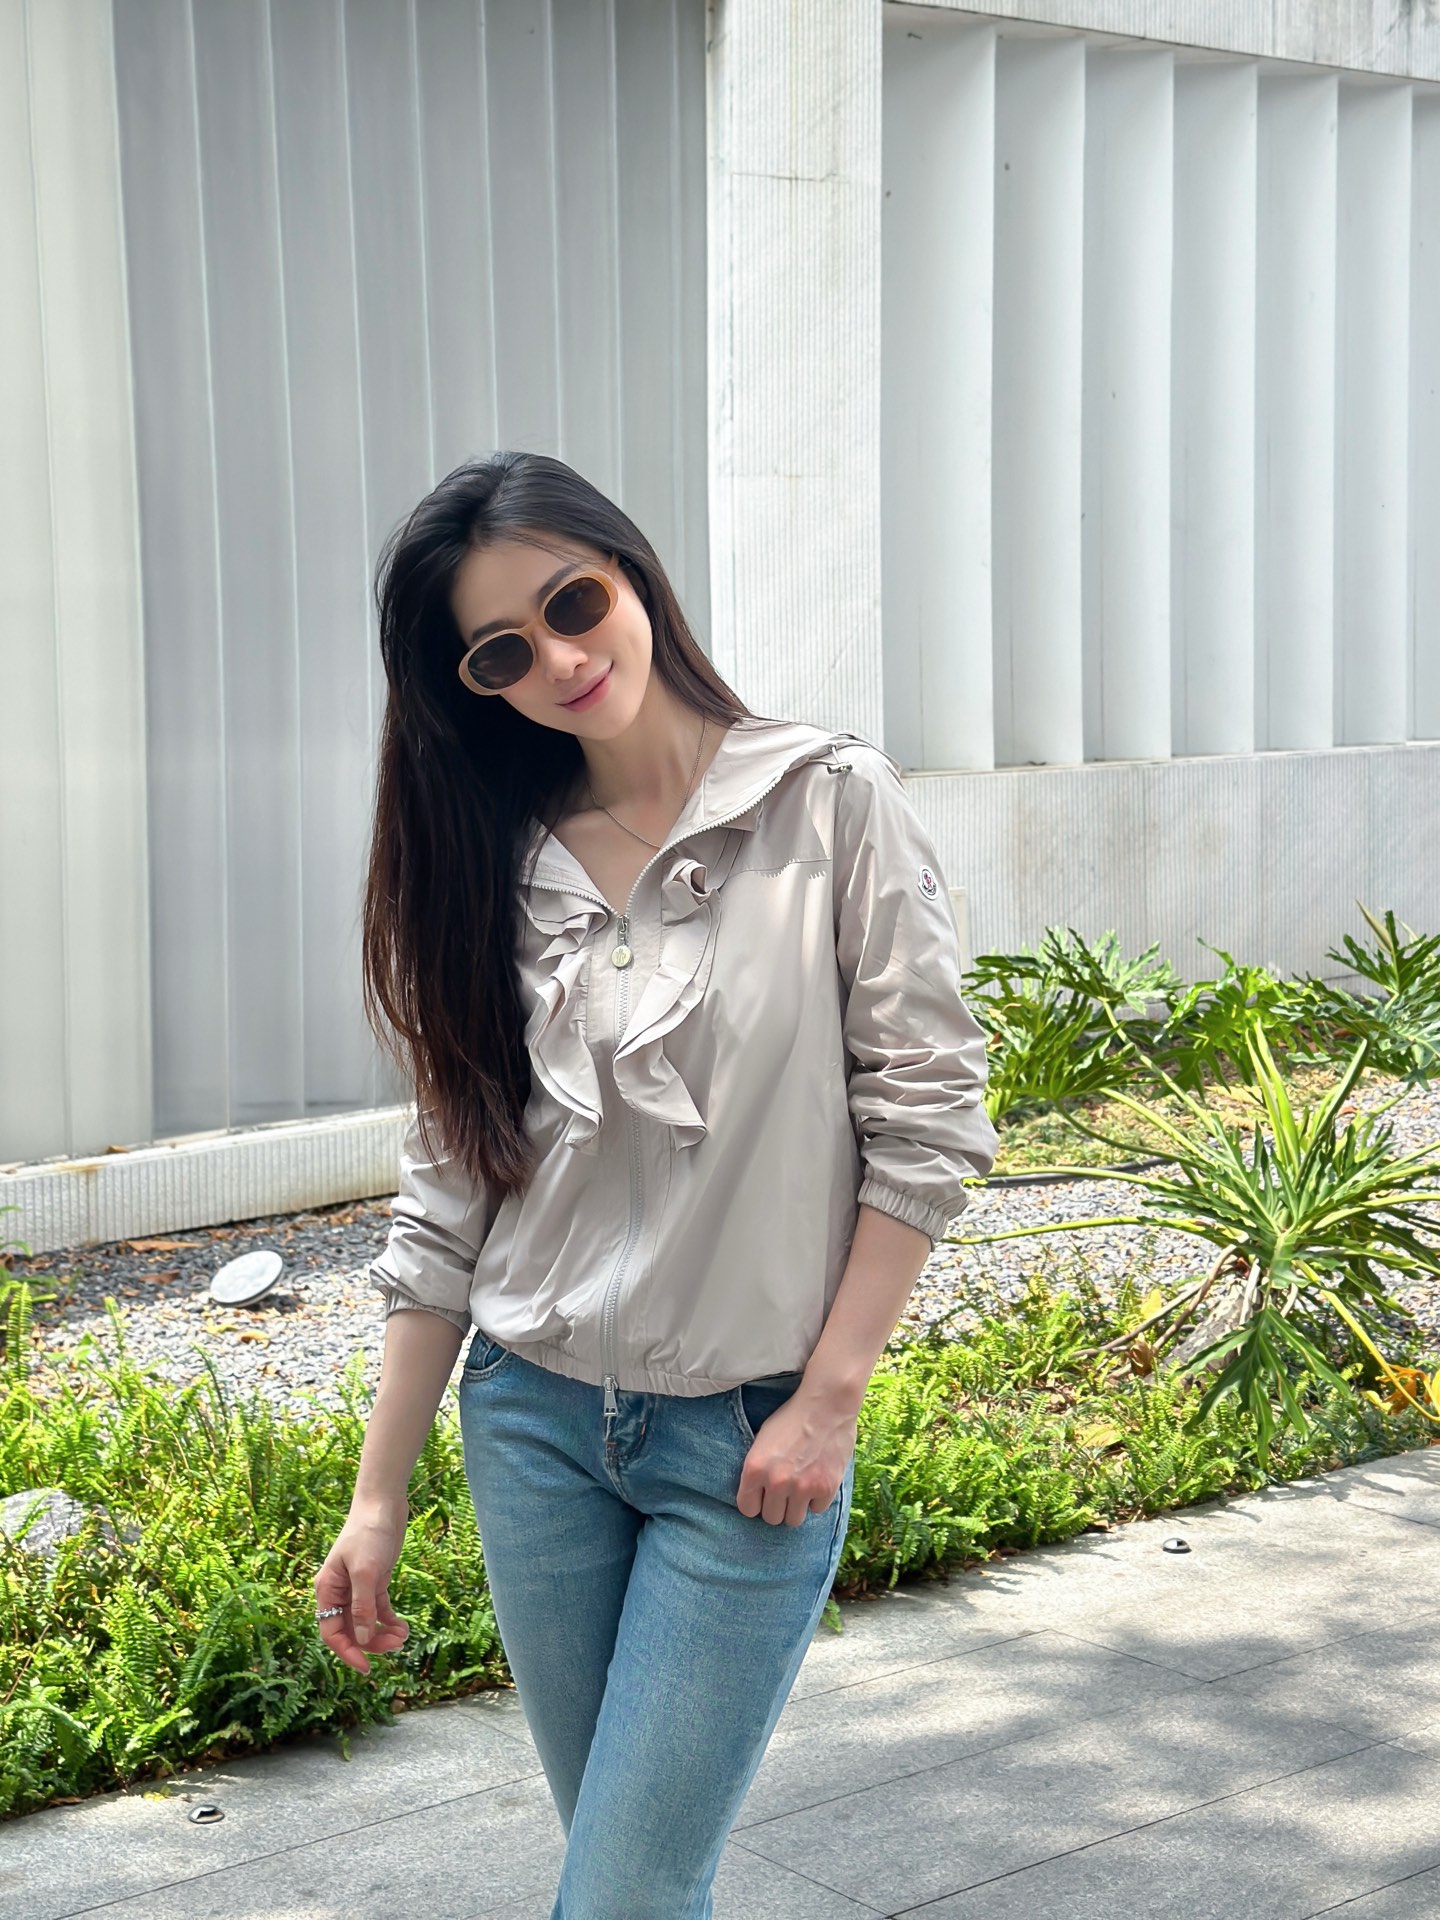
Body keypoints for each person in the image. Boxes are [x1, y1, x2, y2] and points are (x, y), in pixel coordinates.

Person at [313, 450, 998, 1917]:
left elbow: (928, 1114)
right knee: (634, 1884)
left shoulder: (829, 801)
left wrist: (830, 1398)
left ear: (632, 574)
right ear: (472, 689)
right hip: (533, 1431)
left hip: (745, 1445)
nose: (560, 659)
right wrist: (378, 1499)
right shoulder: (489, 859)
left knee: (619, 1891)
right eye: (503, 652)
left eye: (574, 603)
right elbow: (450, 1193)